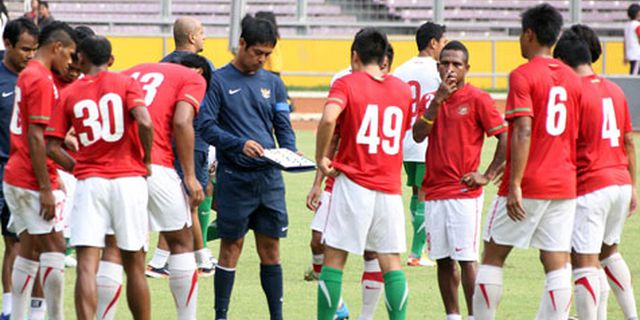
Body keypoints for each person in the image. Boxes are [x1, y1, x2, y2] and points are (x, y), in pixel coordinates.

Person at [472, 4, 583, 319]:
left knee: (493, 253)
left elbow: (522, 130)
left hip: (529, 181)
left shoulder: (522, 75)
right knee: (557, 261)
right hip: (564, 184)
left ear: (529, 33)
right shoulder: (573, 80)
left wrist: (516, 183)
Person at [45, 35, 154, 320]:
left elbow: (52, 145)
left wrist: (76, 167)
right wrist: (146, 159)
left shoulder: (70, 92)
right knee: (135, 265)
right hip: (129, 180)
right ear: (111, 60)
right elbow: (144, 120)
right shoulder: (127, 83)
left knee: (86, 265)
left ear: (79, 59)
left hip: (91, 182)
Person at [200, 15, 297, 320]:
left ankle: (276, 316)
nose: (262, 60)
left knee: (271, 250)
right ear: (241, 44)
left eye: (267, 54)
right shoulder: (218, 80)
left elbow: (283, 127)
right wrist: (237, 143)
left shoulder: (273, 82)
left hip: (269, 179)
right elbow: (205, 125)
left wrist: (290, 153)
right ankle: (221, 315)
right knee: (232, 248)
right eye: (258, 53)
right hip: (235, 178)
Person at [315, 28, 411, 320]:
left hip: (353, 182)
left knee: (334, 259)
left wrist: (321, 158)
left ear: (354, 55)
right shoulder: (402, 89)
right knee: (391, 262)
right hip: (389, 188)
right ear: (384, 58)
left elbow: (330, 117)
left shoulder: (346, 83)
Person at [413, 40, 507, 320]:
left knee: (467, 259)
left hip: (464, 193)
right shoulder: (433, 98)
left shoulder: (478, 98)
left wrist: (487, 175)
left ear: (467, 68)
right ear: (438, 66)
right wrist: (437, 102)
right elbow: (418, 134)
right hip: (434, 192)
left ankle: (475, 315)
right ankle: (452, 316)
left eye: (457, 64)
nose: (450, 69)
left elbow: (503, 136)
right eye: (445, 63)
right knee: (442, 259)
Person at [554, 27, 638, 320]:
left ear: (564, 62)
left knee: (584, 261)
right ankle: (629, 315)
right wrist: (634, 186)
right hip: (620, 182)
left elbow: (564, 142)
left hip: (592, 185)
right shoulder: (614, 89)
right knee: (609, 253)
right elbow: (629, 140)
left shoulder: (573, 93)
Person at [124, 55, 210, 319]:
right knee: (182, 241)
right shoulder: (193, 78)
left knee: (122, 252)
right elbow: (183, 121)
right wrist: (190, 176)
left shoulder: (130, 70)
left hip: (117, 170)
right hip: (156, 164)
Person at [3, 21, 76, 320]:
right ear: (57, 48)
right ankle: (53, 316)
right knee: (55, 247)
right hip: (31, 179)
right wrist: (46, 186)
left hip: (15, 173)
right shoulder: (42, 79)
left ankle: (20, 315)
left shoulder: (27, 74)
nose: (70, 62)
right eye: (69, 54)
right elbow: (37, 136)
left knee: (27, 248)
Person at [146, 16, 216, 279]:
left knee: (179, 202)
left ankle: (172, 259)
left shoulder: (162, 64)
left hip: (164, 144)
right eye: (201, 32)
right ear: (191, 37)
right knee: (190, 202)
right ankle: (194, 259)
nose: (204, 37)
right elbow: (206, 110)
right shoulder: (202, 68)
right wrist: (213, 147)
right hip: (193, 139)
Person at [393, 21, 447, 267]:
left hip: (404, 140)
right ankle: (417, 253)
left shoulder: (400, 70)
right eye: (443, 42)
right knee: (425, 195)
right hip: (426, 140)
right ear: (433, 43)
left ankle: (418, 250)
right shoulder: (439, 71)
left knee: (417, 193)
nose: (444, 48)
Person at [0, 17, 38, 320]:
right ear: (7, 44)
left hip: (18, 174)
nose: (29, 55)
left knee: (16, 241)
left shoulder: (37, 79)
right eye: (24, 49)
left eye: (34, 49)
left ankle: (9, 309)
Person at [624, 3, 640, 75]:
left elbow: (625, 42)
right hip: (637, 55)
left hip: (630, 54)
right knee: (634, 76)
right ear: (638, 13)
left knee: (633, 73)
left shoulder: (627, 25)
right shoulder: (637, 25)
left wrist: (625, 55)